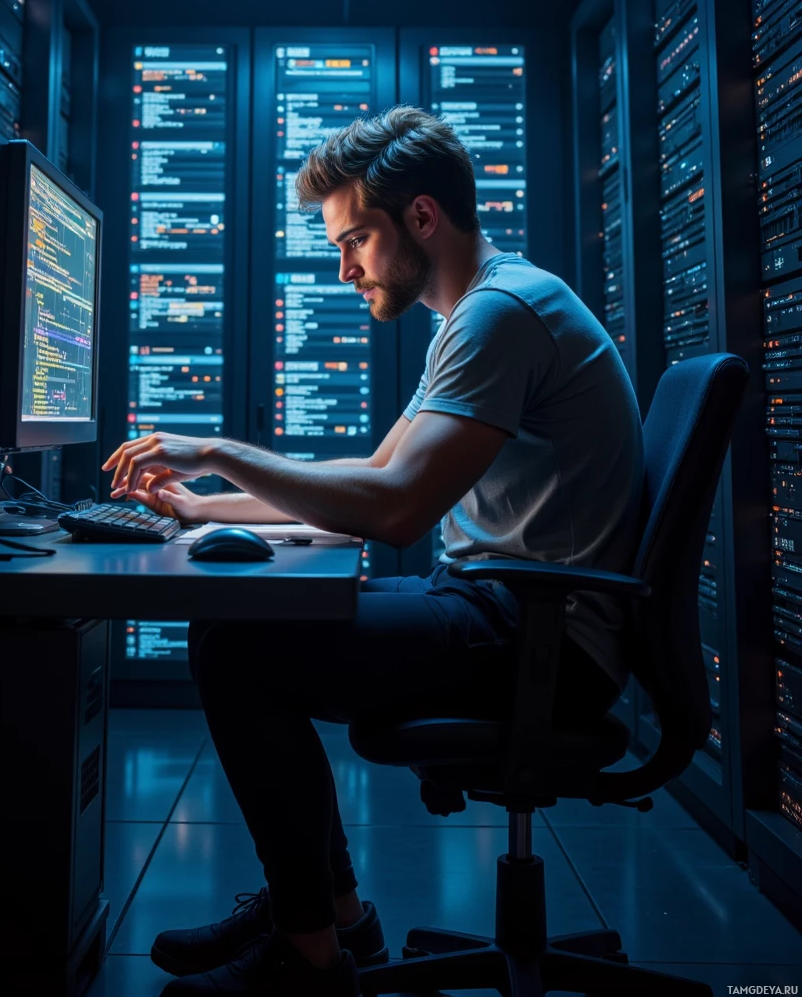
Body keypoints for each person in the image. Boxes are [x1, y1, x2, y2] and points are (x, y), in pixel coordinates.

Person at [102, 105, 644, 997]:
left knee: (236, 646)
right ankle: (331, 920)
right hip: (503, 609)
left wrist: (219, 449)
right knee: (249, 622)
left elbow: (392, 513)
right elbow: (373, 478)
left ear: (421, 219)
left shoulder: (500, 314)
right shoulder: (476, 311)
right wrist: (201, 509)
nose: (343, 267)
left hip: (542, 642)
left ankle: (309, 955)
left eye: (355, 240)